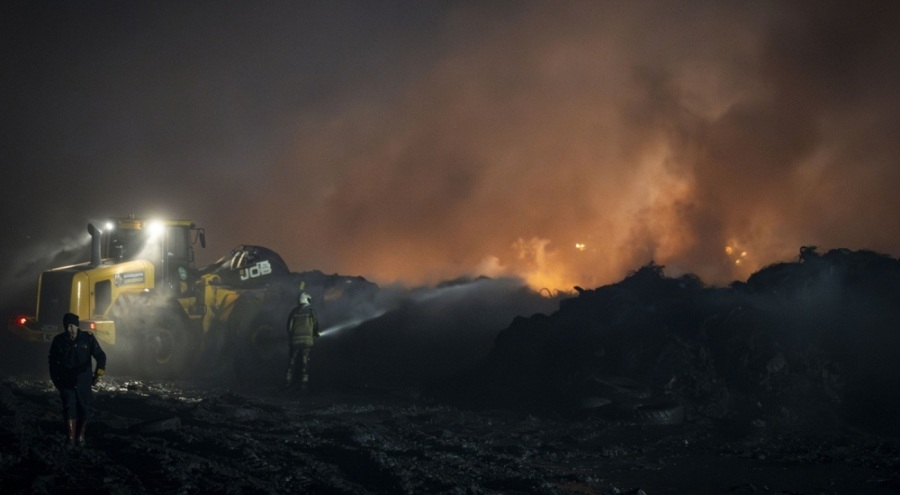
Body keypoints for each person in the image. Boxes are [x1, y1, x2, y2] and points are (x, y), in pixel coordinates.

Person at [48, 313, 106, 447]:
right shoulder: (59, 340)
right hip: (66, 381)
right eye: (66, 326)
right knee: (69, 407)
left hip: (83, 381)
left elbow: (100, 356)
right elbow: (52, 361)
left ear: (77, 326)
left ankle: (81, 435)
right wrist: (55, 379)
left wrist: (99, 371)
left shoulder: (88, 339)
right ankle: (70, 438)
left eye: (71, 326)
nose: (69, 329)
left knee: (84, 407)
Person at [284, 291, 320, 392]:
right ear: (307, 299)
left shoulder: (294, 312)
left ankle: (287, 382)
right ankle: (304, 385)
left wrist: (292, 337)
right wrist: (316, 334)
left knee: (291, 362)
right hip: (307, 342)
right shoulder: (311, 311)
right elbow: (316, 326)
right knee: (305, 362)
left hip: (294, 342)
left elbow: (289, 328)